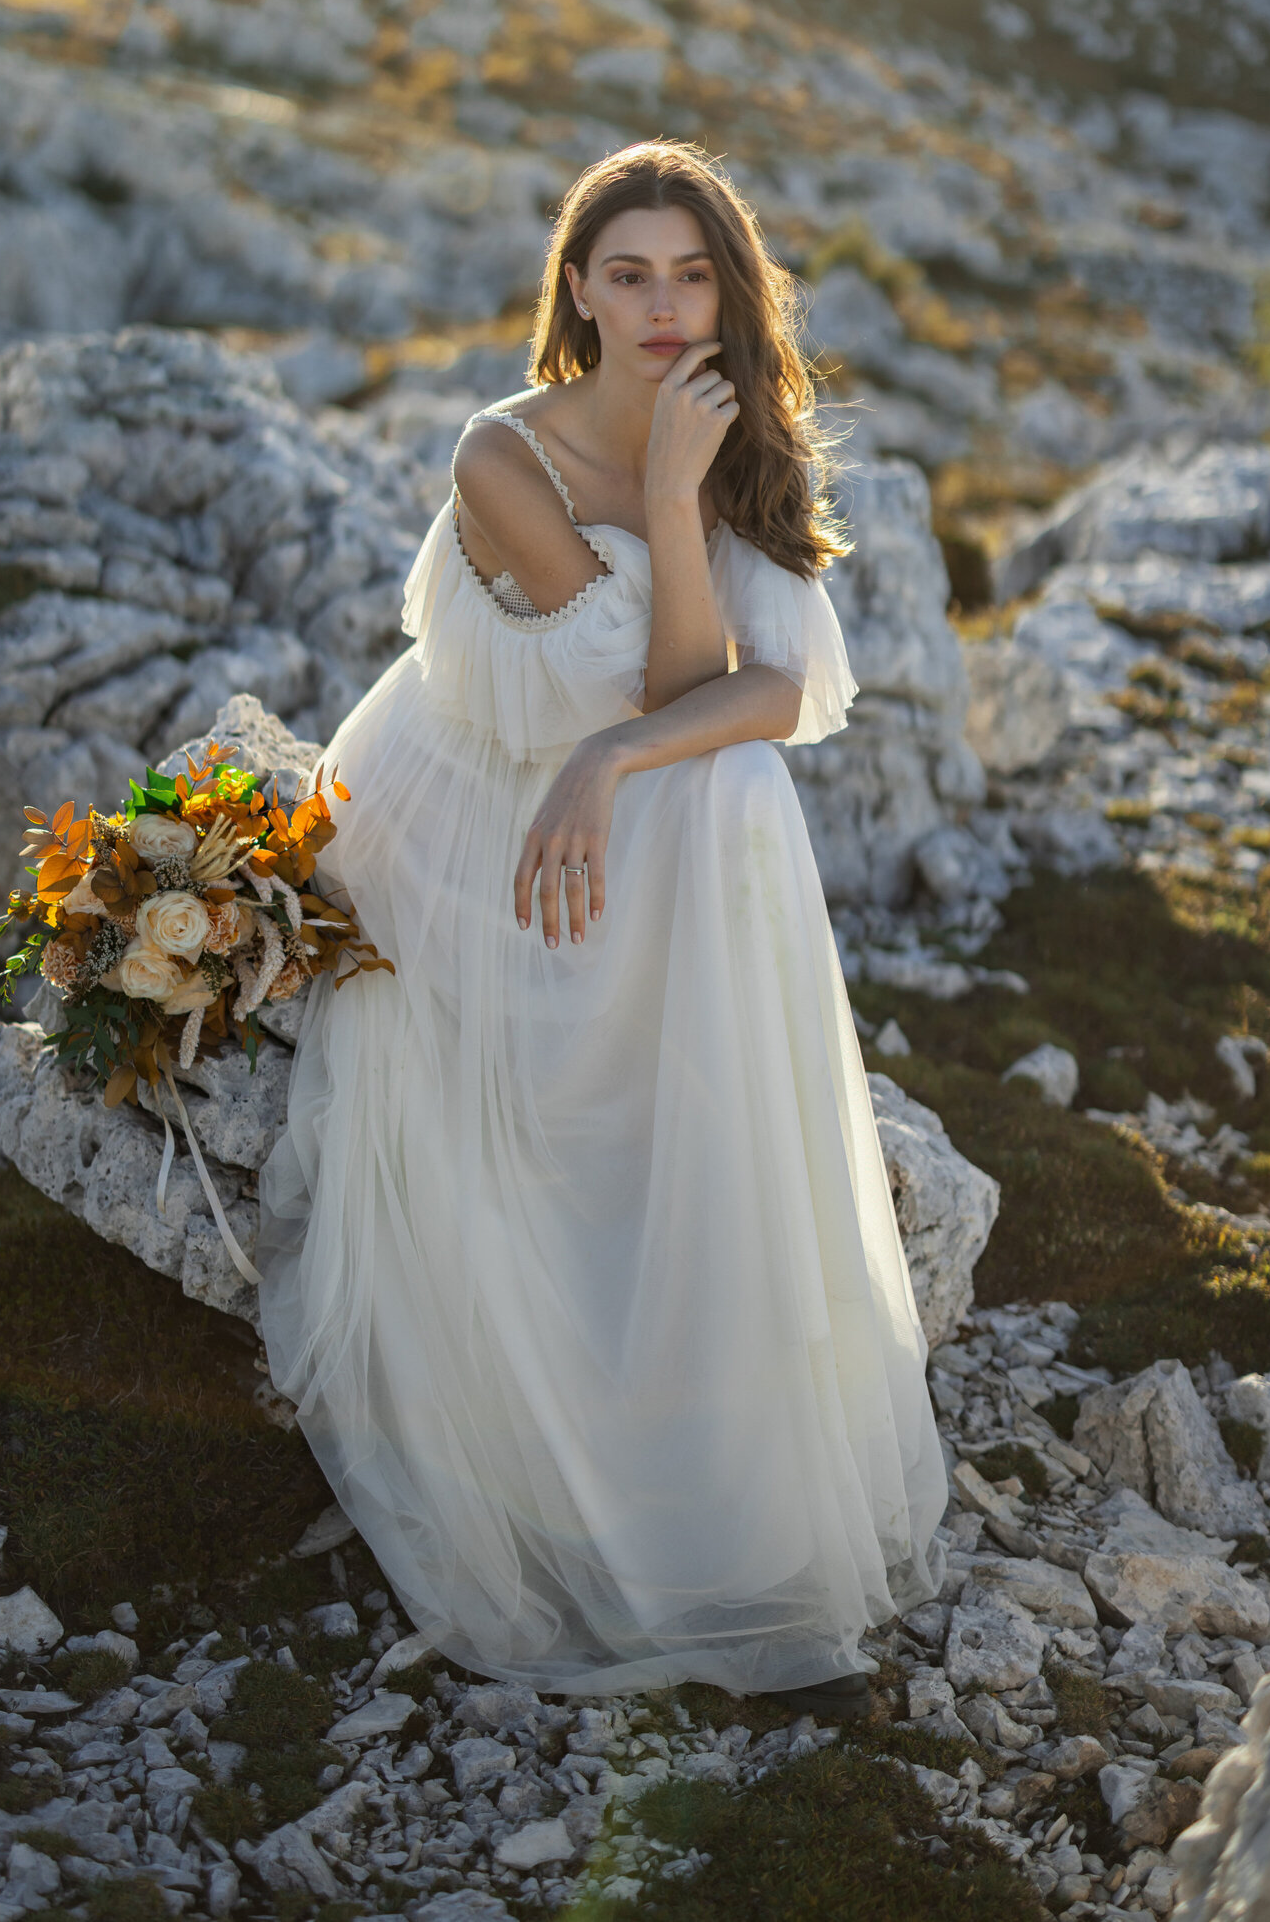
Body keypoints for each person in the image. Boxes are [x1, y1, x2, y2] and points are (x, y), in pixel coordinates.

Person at [256, 140, 948, 1709]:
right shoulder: (500, 456)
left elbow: (755, 697)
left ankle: (722, 1436)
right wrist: (654, 538)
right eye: (626, 273)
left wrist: (675, 543)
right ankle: (595, 1440)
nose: (660, 304)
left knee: (722, 800)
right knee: (705, 792)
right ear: (575, 287)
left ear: (730, 285)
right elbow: (644, 683)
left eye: (692, 273)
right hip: (468, 816)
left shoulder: (728, 424)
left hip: (600, 777)